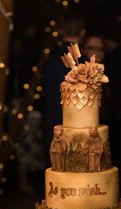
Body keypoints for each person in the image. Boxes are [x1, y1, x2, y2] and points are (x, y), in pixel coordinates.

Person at [43, 11, 86, 166]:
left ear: (61, 32)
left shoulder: (49, 62)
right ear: (82, 33)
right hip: (78, 129)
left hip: (53, 126)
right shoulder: (85, 64)